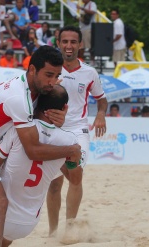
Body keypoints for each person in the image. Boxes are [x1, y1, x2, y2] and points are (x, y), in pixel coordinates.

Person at [0, 46, 81, 246]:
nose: (53, 82)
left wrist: (58, 119)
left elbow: (45, 112)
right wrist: (70, 150)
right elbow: (32, 150)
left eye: (56, 76)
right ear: (31, 70)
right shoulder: (18, 97)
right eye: (48, 75)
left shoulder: (41, 87)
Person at [47, 25, 107, 238]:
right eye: (65, 41)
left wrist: (100, 115)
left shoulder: (90, 72)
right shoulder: (51, 69)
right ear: (59, 43)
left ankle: (69, 228)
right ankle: (53, 232)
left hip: (78, 129)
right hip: (52, 129)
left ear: (80, 44)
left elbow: (102, 100)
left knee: (76, 175)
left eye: (73, 42)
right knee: (54, 184)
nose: (69, 46)